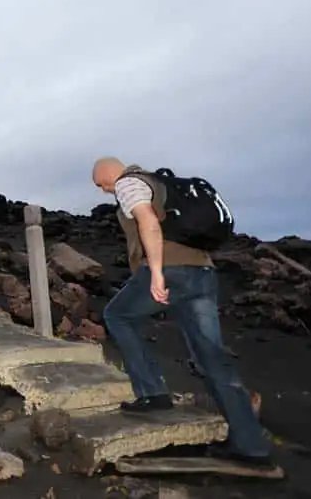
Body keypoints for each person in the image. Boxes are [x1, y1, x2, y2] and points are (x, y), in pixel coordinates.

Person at [91, 156, 274, 468]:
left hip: (172, 271)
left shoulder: (128, 183)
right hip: (202, 272)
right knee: (212, 357)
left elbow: (148, 221)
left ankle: (153, 393)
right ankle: (251, 446)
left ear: (109, 174)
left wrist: (158, 274)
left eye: (100, 183)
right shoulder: (160, 182)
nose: (103, 190)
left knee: (117, 315)